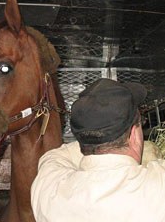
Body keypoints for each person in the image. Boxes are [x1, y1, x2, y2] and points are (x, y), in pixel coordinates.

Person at [31, 78, 165, 222]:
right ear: (133, 135)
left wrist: (93, 139)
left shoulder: (49, 191)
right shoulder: (159, 186)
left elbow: (52, 158)